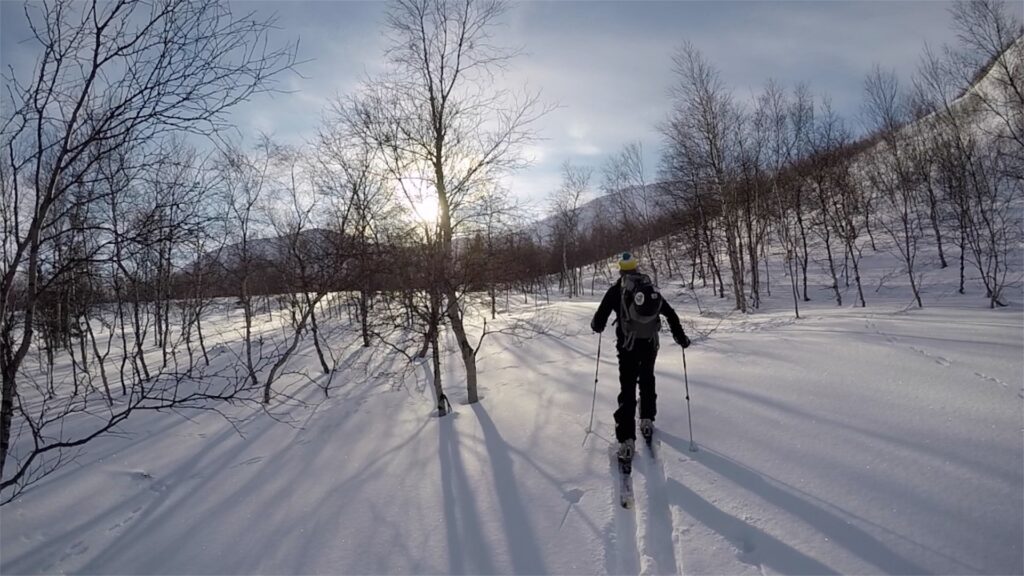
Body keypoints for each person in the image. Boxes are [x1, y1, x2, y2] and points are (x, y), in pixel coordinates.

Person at [590, 251, 691, 465]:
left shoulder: (616, 290)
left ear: (620, 269)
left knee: (627, 388)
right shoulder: (648, 289)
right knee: (647, 379)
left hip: (627, 347)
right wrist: (681, 338)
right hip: (649, 344)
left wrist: (597, 326)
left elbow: (598, 321)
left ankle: (626, 440)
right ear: (636, 268)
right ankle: (647, 418)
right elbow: (670, 314)